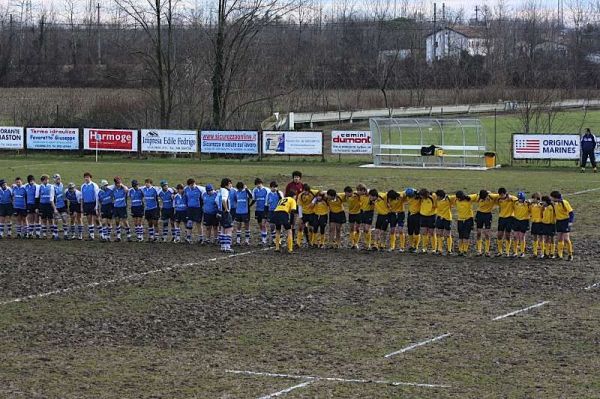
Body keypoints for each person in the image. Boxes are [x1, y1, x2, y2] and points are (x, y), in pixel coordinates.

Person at [551, 191, 574, 261]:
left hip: (565, 221)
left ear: (555, 197)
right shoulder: (555, 203)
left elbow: (571, 213)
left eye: (552, 197)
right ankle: (559, 254)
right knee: (559, 238)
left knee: (566, 238)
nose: (551, 198)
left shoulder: (564, 202)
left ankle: (570, 254)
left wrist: (570, 222)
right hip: (558, 222)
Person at [474, 190, 498, 257]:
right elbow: (471, 197)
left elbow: (500, 195)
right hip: (479, 214)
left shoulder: (492, 197)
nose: (483, 199)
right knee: (478, 233)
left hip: (487, 215)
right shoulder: (478, 197)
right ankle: (479, 250)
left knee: (487, 233)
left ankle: (487, 251)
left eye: (484, 198)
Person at [272, 189, 297, 253]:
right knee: (289, 231)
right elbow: (293, 212)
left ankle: (277, 248)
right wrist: (291, 223)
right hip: (283, 214)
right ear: (293, 196)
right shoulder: (292, 200)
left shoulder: (282, 199)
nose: (295, 197)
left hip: (275, 213)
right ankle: (290, 249)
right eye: (295, 196)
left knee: (278, 230)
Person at [495, 187, 517, 257]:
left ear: (505, 193)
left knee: (508, 235)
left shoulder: (511, 198)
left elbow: (518, 200)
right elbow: (493, 196)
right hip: (501, 218)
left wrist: (510, 197)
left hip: (510, 218)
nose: (501, 196)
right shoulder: (499, 199)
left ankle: (507, 252)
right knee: (499, 235)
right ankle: (500, 251)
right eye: (500, 195)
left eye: (502, 195)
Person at [434, 189, 456, 255]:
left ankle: (449, 250)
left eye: (437, 196)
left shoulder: (448, 199)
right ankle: (439, 249)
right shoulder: (436, 200)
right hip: (439, 218)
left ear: (440, 196)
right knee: (439, 234)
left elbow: (456, 196)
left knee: (447, 234)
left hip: (447, 219)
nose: (436, 197)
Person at [184, 178, 205, 244]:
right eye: (190, 185)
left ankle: (201, 238)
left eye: (192, 184)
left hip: (198, 209)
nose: (192, 186)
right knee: (189, 223)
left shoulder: (200, 189)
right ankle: (188, 237)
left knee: (198, 223)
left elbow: (205, 195)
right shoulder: (186, 189)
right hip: (190, 209)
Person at [455, 191, 475, 256]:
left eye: (458, 198)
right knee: (460, 236)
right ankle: (460, 250)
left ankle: (465, 250)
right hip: (460, 220)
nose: (457, 199)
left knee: (466, 236)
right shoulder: (456, 201)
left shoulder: (469, 200)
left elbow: (477, 195)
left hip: (468, 220)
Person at [216, 178, 234, 252]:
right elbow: (224, 200)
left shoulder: (220, 190)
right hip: (225, 212)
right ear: (226, 184)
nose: (231, 185)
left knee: (223, 229)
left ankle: (223, 246)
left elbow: (216, 200)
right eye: (230, 183)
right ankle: (227, 246)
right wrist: (226, 209)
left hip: (220, 212)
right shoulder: (225, 191)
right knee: (229, 229)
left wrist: (219, 208)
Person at [38, 175, 58, 240]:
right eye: (45, 180)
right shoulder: (39, 187)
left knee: (50, 219)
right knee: (43, 220)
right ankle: (44, 234)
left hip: (49, 205)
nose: (47, 181)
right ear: (42, 181)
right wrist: (38, 207)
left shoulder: (51, 186)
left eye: (47, 179)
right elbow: (37, 197)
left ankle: (52, 234)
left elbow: (54, 196)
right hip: (42, 205)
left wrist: (54, 206)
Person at [81, 172, 100, 240]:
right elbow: (82, 198)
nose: (86, 178)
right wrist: (82, 207)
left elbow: (97, 197)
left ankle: (102, 234)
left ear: (90, 178)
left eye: (88, 177)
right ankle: (92, 235)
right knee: (89, 219)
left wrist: (96, 207)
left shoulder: (94, 185)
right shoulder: (83, 186)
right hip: (86, 204)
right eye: (85, 177)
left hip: (93, 203)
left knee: (96, 219)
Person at [286, 171, 304, 242]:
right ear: (293, 178)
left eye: (297, 177)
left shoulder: (302, 185)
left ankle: (301, 238)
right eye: (295, 177)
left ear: (300, 178)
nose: (296, 178)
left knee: (301, 222)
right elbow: (286, 195)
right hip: (292, 206)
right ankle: (292, 238)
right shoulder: (289, 185)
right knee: (292, 222)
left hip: (299, 206)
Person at [111, 177, 131, 242]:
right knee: (117, 222)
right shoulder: (113, 189)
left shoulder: (123, 189)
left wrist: (122, 185)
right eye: (117, 183)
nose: (118, 184)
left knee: (125, 221)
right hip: (116, 207)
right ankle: (118, 237)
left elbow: (127, 190)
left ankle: (129, 236)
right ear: (115, 183)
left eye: (119, 182)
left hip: (122, 207)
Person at [512, 192, 531, 258]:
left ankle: (522, 252)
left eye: (521, 198)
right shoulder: (515, 203)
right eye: (519, 198)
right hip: (516, 220)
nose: (519, 200)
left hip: (524, 221)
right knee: (515, 236)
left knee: (521, 236)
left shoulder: (527, 204)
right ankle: (515, 252)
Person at [419, 188, 437, 253]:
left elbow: (435, 195)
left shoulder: (433, 197)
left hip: (431, 216)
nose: (421, 197)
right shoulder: (421, 198)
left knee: (432, 233)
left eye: (422, 195)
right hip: (423, 216)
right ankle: (424, 248)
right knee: (424, 232)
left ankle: (434, 249)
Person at [251, 178, 269, 246]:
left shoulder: (266, 190)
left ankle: (264, 240)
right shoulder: (255, 190)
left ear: (261, 183)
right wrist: (249, 206)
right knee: (260, 224)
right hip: (258, 210)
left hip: (264, 210)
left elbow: (269, 199)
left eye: (259, 183)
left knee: (264, 224)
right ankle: (263, 236)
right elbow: (254, 199)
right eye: (257, 184)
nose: (258, 185)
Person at [53, 174, 69, 240]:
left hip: (62, 206)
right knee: (56, 220)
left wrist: (66, 207)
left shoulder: (62, 185)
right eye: (57, 178)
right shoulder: (53, 187)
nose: (58, 179)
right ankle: (55, 235)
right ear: (54, 180)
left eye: (59, 178)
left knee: (65, 219)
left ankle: (65, 235)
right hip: (56, 206)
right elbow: (52, 198)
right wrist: (54, 208)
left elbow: (65, 197)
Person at [405, 188, 421, 252]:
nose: (409, 197)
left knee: (417, 231)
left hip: (418, 215)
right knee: (410, 231)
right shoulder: (407, 196)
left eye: (410, 196)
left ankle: (416, 246)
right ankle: (411, 245)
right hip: (410, 215)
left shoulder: (419, 196)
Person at [358, 184, 374, 250]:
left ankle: (369, 244)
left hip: (369, 212)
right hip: (362, 212)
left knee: (367, 229)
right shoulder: (360, 195)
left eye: (360, 191)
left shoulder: (370, 194)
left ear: (364, 190)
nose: (358, 192)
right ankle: (367, 244)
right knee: (364, 229)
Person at [529, 193, 544, 258]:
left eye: (533, 198)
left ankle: (542, 252)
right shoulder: (532, 205)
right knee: (535, 237)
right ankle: (535, 252)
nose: (532, 199)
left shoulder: (541, 205)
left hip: (540, 223)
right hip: (534, 223)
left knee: (541, 238)